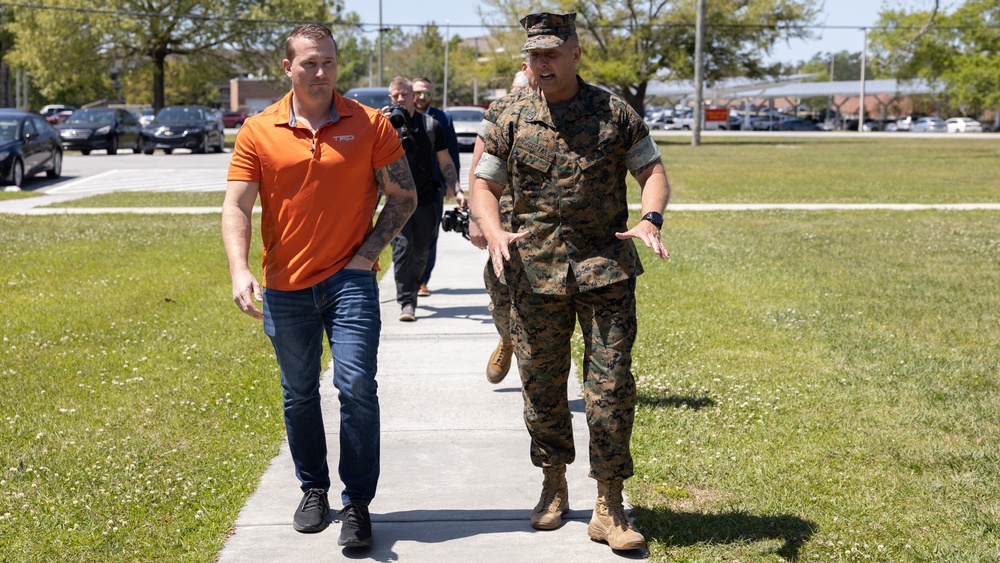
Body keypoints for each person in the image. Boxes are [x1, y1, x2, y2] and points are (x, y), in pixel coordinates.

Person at [470, 12, 670, 552]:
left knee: (609, 389)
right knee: (541, 387)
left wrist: (650, 220)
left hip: (605, 270)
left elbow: (651, 171)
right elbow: (485, 184)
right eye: (533, 55)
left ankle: (610, 503)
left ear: (575, 54)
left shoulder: (614, 112)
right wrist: (491, 231)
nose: (541, 64)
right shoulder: (508, 113)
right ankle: (553, 483)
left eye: (551, 54)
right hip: (534, 275)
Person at [222, 24, 417, 549]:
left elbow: (403, 196)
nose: (321, 71)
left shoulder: (370, 123)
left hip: (348, 282)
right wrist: (241, 270)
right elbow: (237, 206)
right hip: (284, 286)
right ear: (287, 67)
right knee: (298, 393)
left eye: (328, 61)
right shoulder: (257, 130)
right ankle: (313, 490)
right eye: (309, 62)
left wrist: (365, 258)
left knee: (356, 387)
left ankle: (357, 504)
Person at [467, 64, 534, 384]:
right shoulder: (500, 113)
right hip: (503, 217)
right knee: (498, 281)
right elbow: (479, 168)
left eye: (526, 91)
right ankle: (507, 338)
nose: (521, 97)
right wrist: (476, 218)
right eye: (516, 91)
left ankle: (531, 355)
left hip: (543, 219)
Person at [384, 76, 466, 322]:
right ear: (391, 98)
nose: (400, 99)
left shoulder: (431, 126)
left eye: (404, 94)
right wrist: (380, 124)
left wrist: (457, 189)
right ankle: (407, 302)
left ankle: (417, 282)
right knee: (402, 249)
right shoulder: (381, 125)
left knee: (421, 252)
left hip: (426, 199)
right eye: (395, 95)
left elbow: (445, 161)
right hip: (396, 201)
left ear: (412, 96)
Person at [412, 76, 461, 298]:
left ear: (432, 94)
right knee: (404, 236)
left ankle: (422, 280)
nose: (422, 97)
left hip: (434, 186)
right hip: (407, 186)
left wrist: (453, 185)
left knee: (430, 234)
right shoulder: (400, 117)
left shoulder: (443, 118)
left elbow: (452, 154)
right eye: (418, 92)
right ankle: (407, 277)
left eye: (426, 93)